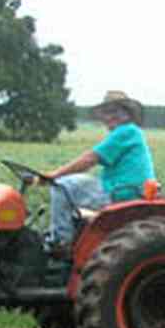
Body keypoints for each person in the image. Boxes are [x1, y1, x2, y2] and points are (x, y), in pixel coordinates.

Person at [36, 90, 156, 251]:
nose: (110, 116)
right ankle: (67, 237)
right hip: (121, 189)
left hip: (122, 194)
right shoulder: (128, 132)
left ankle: (60, 242)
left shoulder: (127, 131)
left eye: (116, 111)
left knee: (61, 185)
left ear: (127, 114)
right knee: (75, 186)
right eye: (107, 112)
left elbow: (90, 159)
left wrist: (53, 175)